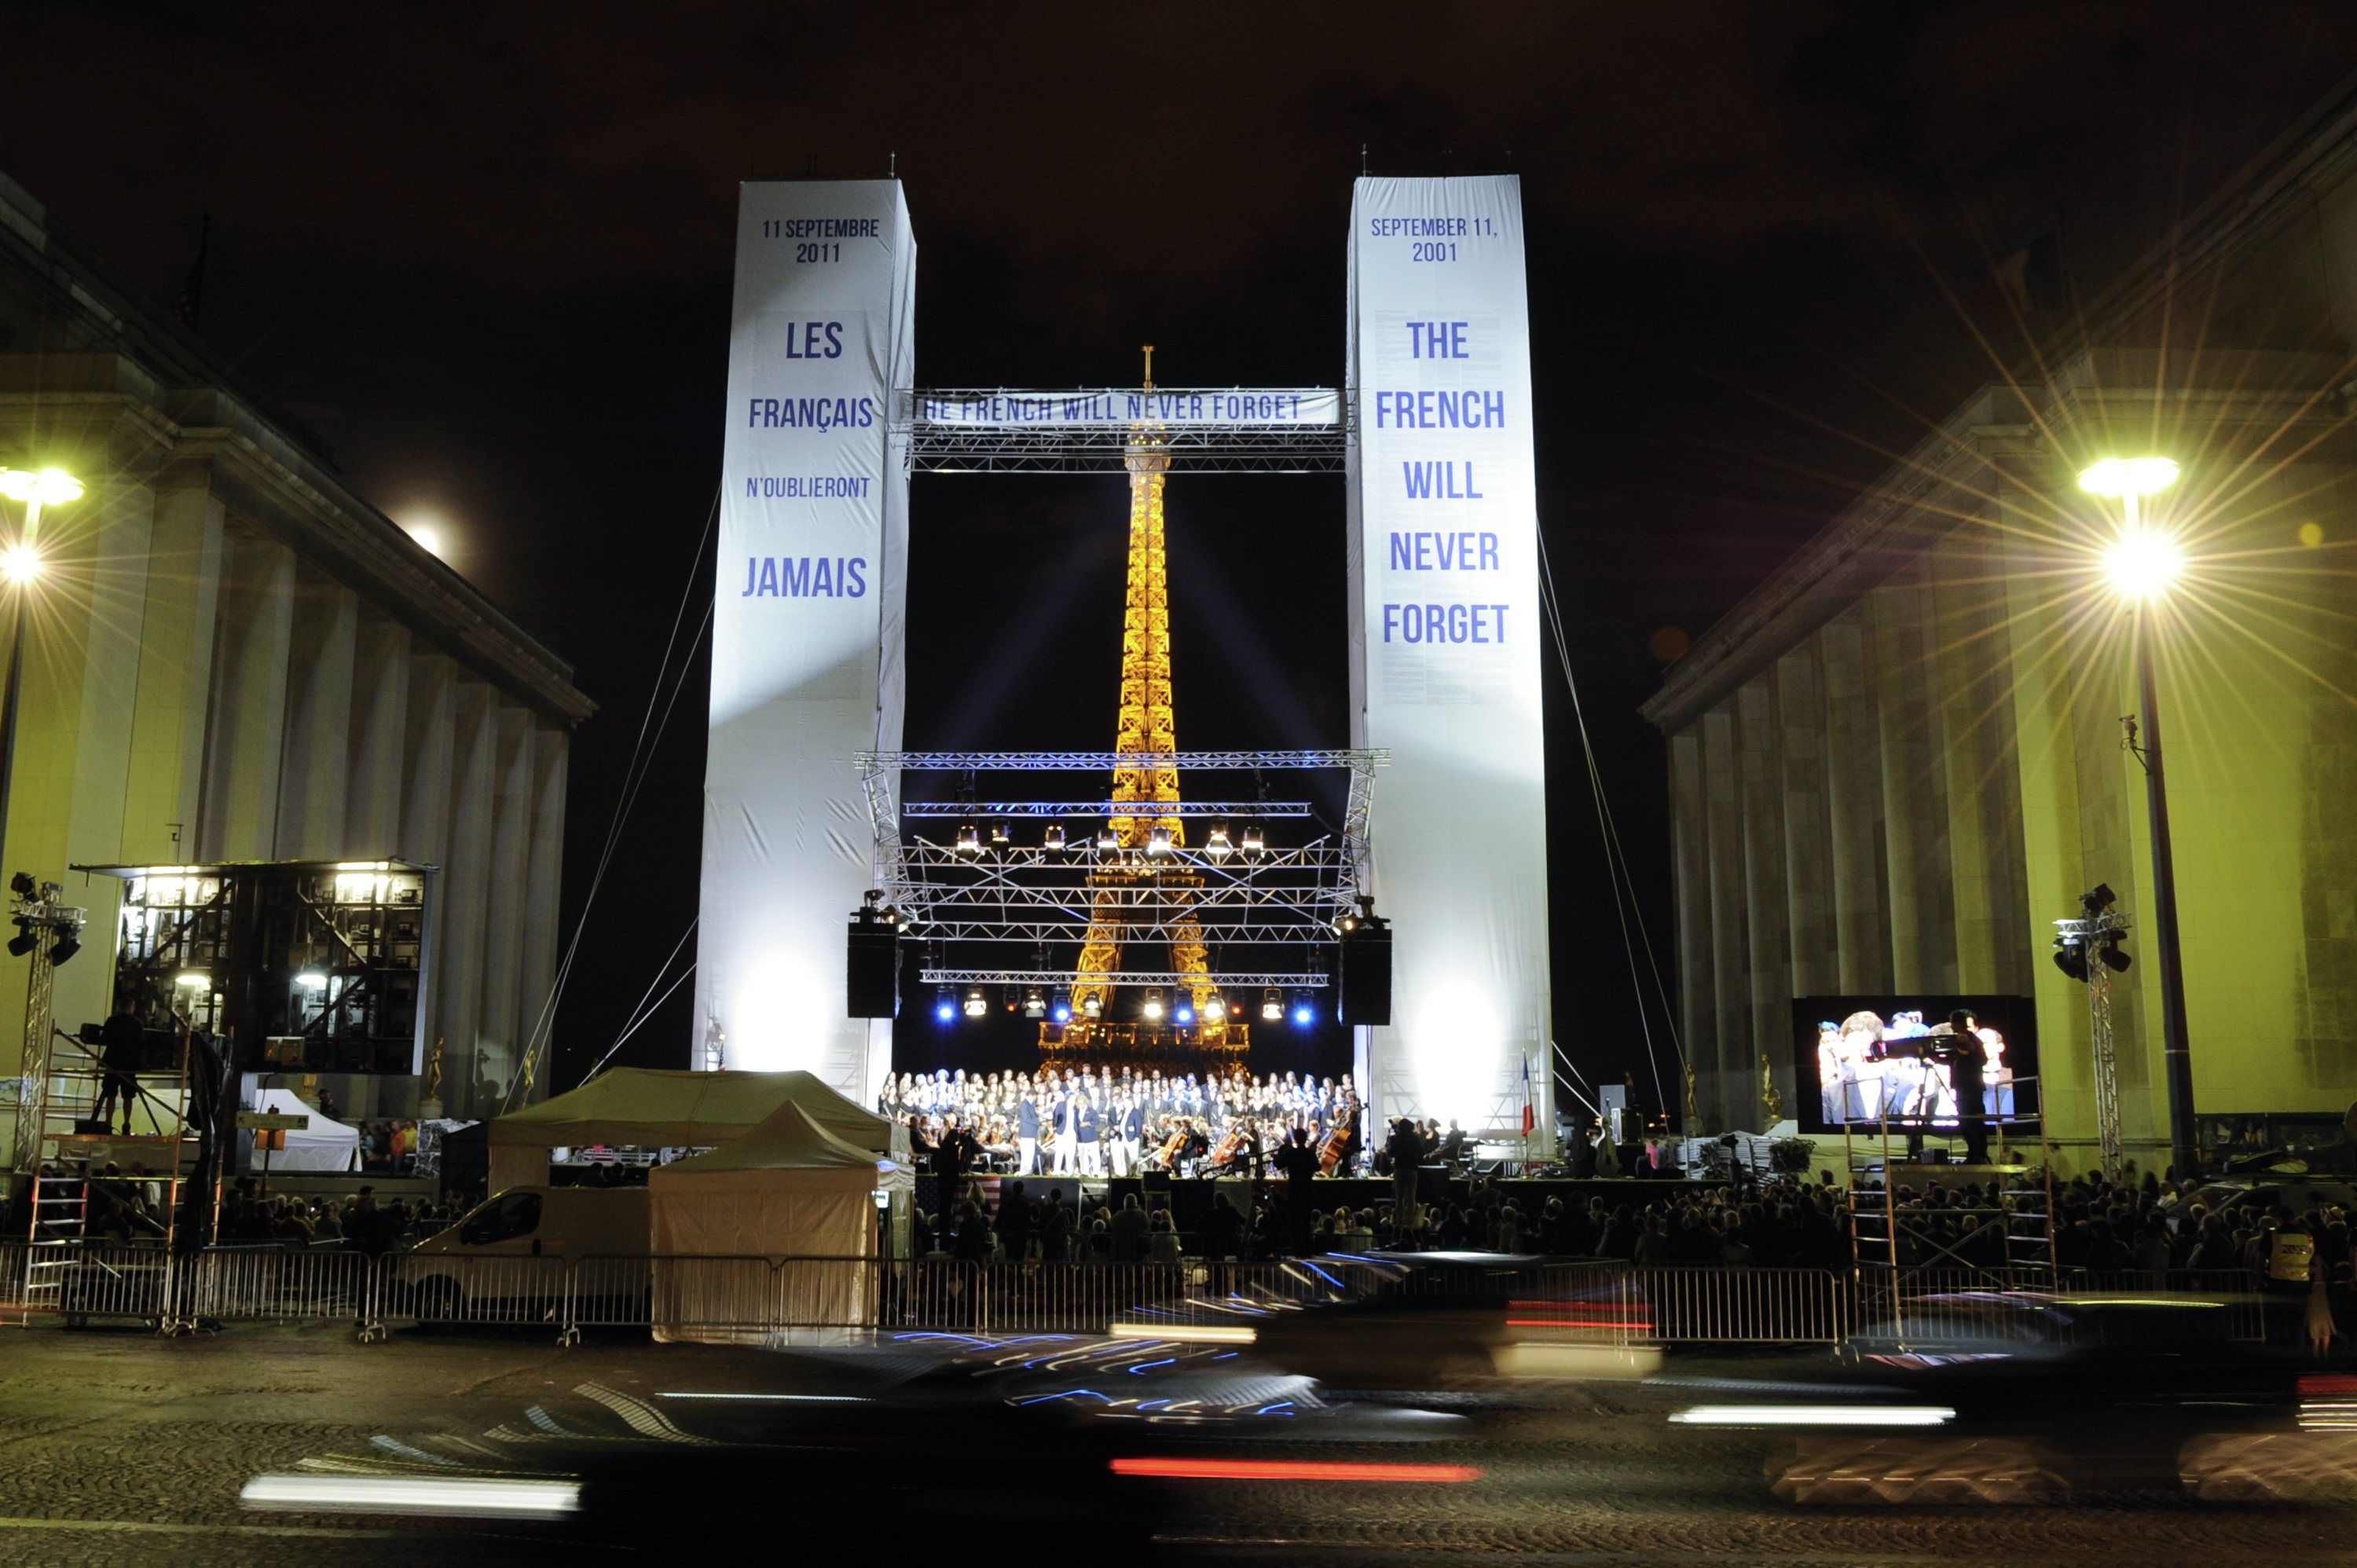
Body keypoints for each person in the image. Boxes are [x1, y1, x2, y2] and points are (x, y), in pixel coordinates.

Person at [94, 996, 145, 1135]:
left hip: (113, 1062)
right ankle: (126, 1123)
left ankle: (108, 1122)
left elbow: (105, 1039)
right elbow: (140, 1044)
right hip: (129, 1064)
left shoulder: (112, 1021)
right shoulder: (137, 1024)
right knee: (128, 1096)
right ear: (131, 1007)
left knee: (110, 1094)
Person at [1275, 1127, 1321, 1255]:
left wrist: (1279, 1153)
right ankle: (1308, 1249)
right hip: (1307, 1188)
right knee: (1306, 1220)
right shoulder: (1309, 1153)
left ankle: (1297, 1250)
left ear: (1294, 1139)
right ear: (1305, 1139)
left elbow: (1279, 1164)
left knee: (1295, 1221)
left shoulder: (1291, 1153)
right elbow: (1318, 1167)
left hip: (1294, 1188)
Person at [1385, 1118, 1424, 1231]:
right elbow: (1422, 1151)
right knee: (1411, 1196)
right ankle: (1409, 1220)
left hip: (1400, 1169)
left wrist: (1391, 1141)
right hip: (1412, 1169)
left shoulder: (1398, 1138)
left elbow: (1390, 1153)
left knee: (1399, 1196)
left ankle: (1399, 1220)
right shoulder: (1415, 1137)